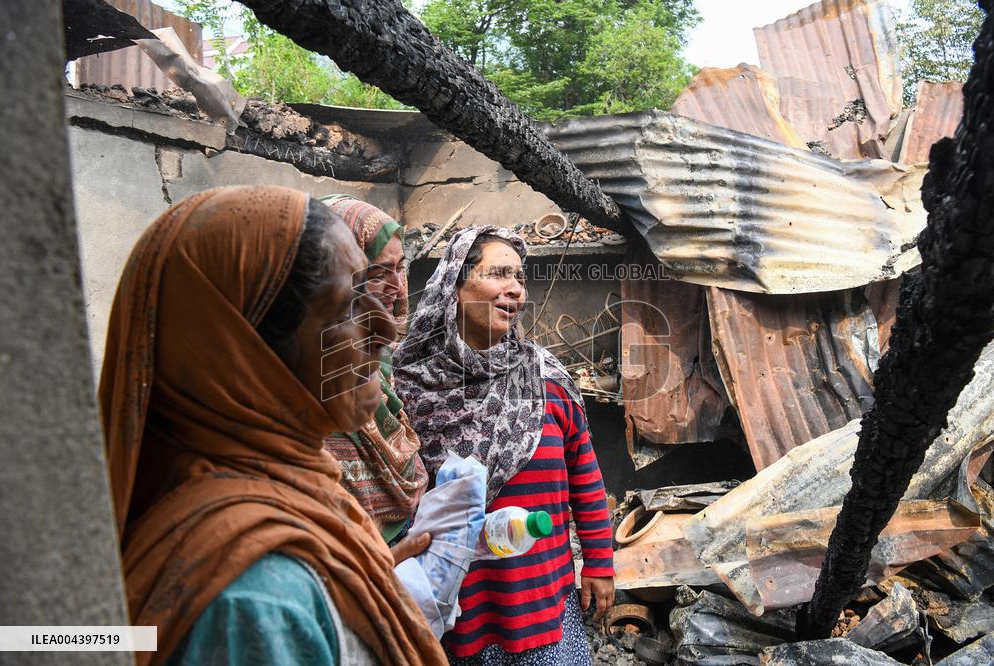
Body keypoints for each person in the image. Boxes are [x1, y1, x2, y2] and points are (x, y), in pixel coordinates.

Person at [98, 185, 445, 665]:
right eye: (347, 306)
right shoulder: (253, 599)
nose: (386, 328)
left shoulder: (304, 488)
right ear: (247, 352)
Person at [393, 226, 616, 665]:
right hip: (459, 615)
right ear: (456, 285)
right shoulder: (412, 390)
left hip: (544, 606)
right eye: (498, 274)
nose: (515, 288)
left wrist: (599, 562)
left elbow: (585, 478)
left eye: (520, 277)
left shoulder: (545, 379)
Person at [317, 194, 427, 545]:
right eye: (379, 271)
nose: (397, 285)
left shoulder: (381, 360)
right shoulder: (307, 374)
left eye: (400, 268)